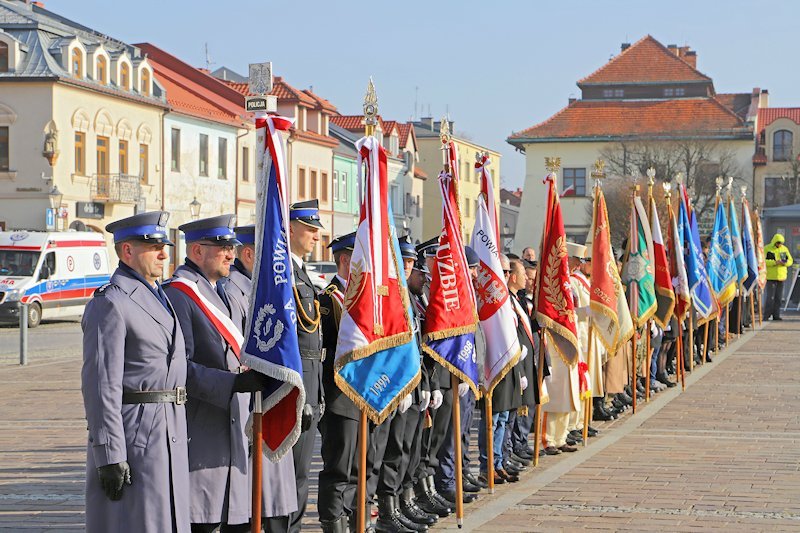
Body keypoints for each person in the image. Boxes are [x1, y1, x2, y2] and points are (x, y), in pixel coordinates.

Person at [81, 211, 190, 533]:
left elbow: (175, 367)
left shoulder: (159, 295)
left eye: (164, 246)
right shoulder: (111, 302)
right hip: (135, 434)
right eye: (153, 246)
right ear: (127, 251)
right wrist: (109, 453)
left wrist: (232, 383)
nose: (164, 253)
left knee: (167, 520)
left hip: (169, 428)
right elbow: (100, 385)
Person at [164, 215, 267, 533]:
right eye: (222, 248)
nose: (231, 255)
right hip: (203, 427)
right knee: (203, 521)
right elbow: (182, 368)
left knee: (234, 519)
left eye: (232, 248)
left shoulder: (218, 292)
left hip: (232, 425)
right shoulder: (180, 295)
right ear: (197, 251)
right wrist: (233, 383)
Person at [225, 225, 298, 532]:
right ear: (250, 254)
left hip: (272, 400)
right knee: (253, 505)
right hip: (250, 404)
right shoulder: (233, 292)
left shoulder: (262, 290)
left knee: (275, 503)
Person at [288, 200, 326, 532]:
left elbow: (315, 342)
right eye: (310, 229)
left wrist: (319, 391)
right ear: (290, 229)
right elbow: (288, 343)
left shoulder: (301, 272)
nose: (316, 236)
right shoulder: (283, 273)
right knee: (293, 473)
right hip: (297, 386)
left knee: (301, 473)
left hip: (312, 384)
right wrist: (299, 393)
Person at [764, 233, 794, 321]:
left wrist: (785, 263)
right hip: (770, 277)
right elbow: (763, 261)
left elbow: (790, 261)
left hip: (781, 277)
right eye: (778, 243)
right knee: (770, 297)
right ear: (774, 242)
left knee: (778, 298)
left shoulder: (784, 249)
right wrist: (774, 263)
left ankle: (776, 315)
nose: (779, 245)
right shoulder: (767, 248)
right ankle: (766, 315)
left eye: (781, 243)